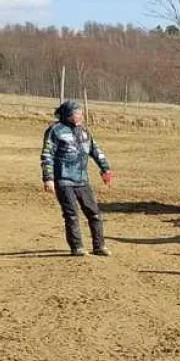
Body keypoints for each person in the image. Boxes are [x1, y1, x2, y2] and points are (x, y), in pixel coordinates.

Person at [41, 100, 114, 257]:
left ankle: (99, 246)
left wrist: (105, 168)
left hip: (82, 179)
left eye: (81, 112)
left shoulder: (84, 131)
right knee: (72, 214)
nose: (80, 115)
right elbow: (47, 155)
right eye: (77, 113)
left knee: (94, 213)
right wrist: (48, 178)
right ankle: (77, 247)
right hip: (63, 180)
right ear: (68, 115)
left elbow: (95, 150)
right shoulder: (55, 131)